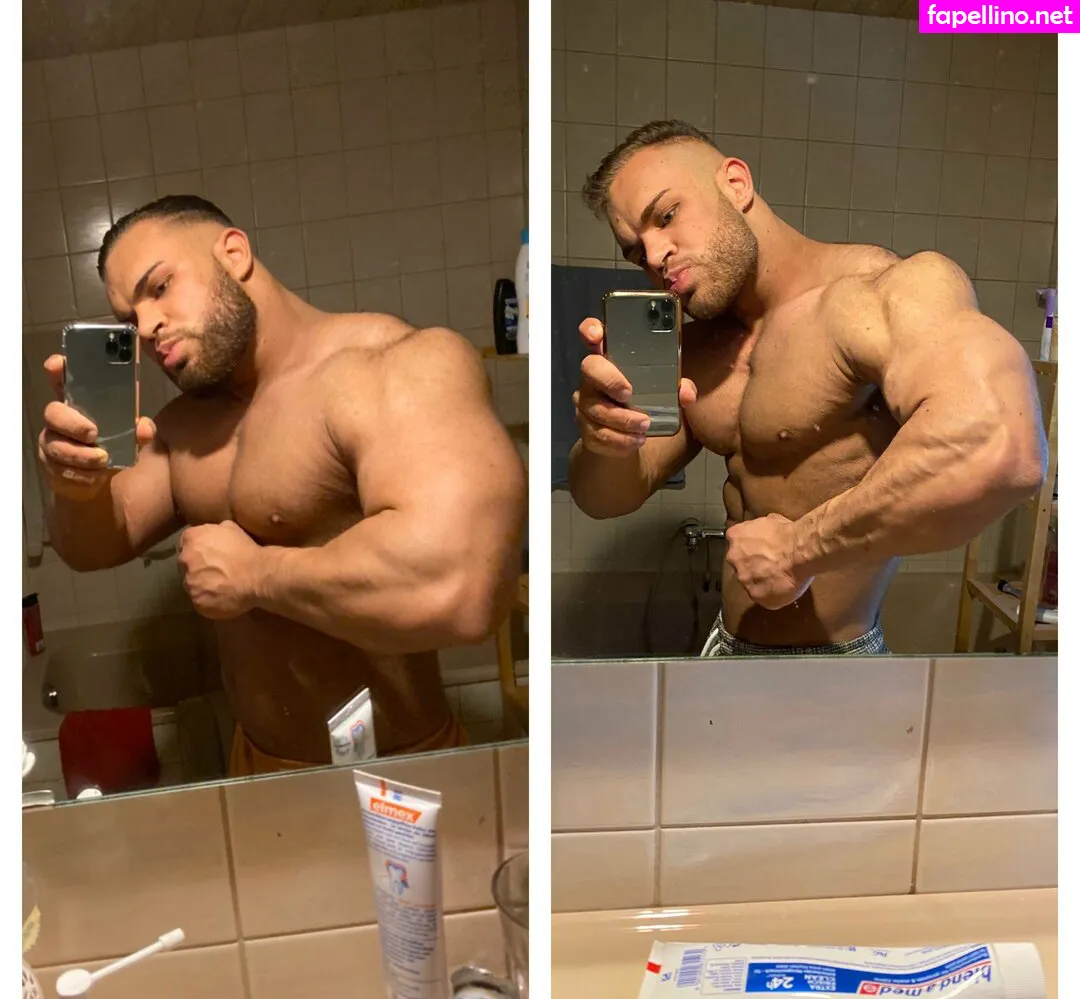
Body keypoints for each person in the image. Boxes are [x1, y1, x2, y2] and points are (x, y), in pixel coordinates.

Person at [39, 195, 526, 772]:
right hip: (256, 765)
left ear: (234, 253)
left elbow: (463, 591)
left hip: (396, 776)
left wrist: (256, 576)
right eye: (129, 319)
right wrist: (77, 485)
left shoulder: (390, 366)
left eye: (161, 287)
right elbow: (92, 546)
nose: (146, 327)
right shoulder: (184, 428)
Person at [570, 120, 1047, 656]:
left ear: (735, 184)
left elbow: (1003, 446)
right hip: (725, 647)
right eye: (636, 251)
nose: (655, 255)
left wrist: (801, 550)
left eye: (666, 215)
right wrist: (604, 439)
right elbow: (604, 498)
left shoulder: (874, 294)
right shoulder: (698, 349)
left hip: (834, 663)